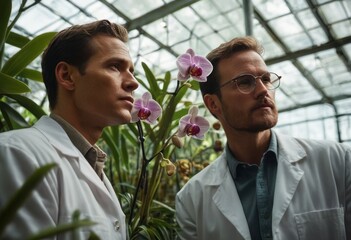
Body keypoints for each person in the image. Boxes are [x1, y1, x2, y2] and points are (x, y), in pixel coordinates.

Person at [175, 36, 351, 240]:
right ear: (213, 104)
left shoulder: (338, 162)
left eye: (266, 79)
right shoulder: (191, 200)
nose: (263, 90)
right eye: (244, 82)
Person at [0, 20, 138, 239]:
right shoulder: (17, 154)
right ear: (66, 76)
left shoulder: (93, 166)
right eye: (114, 66)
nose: (133, 83)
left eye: (131, 70)